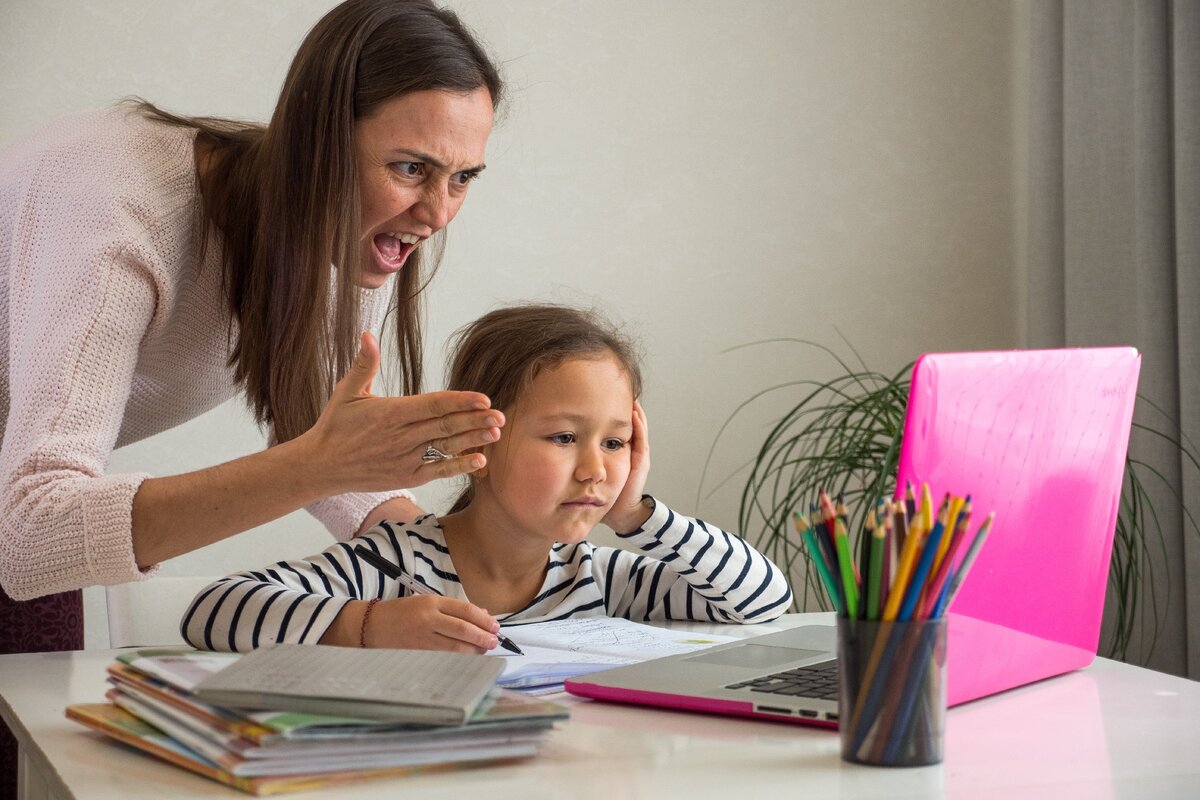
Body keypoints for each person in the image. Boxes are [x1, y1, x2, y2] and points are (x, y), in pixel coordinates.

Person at [0, 2, 504, 791]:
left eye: (463, 177)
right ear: (315, 144)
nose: (438, 213)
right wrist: (316, 468)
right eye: (410, 168)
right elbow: (32, 536)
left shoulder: (347, 236)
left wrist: (451, 565)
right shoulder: (122, 211)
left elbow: (325, 442)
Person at [182, 304, 794, 653]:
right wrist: (367, 626)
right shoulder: (398, 564)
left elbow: (765, 602)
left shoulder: (601, 577)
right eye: (563, 437)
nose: (595, 467)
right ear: (481, 439)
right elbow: (214, 611)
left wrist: (635, 515)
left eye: (615, 442)